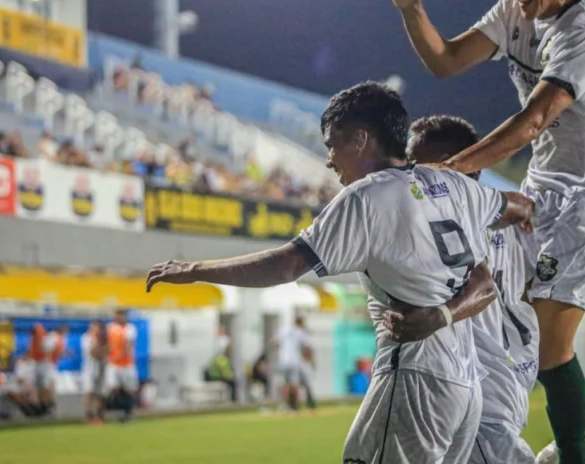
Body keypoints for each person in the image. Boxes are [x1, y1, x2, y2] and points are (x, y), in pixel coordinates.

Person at [146, 81, 534, 464]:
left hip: (416, 375)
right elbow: (507, 231)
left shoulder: (366, 196)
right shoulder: (452, 184)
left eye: (333, 144)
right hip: (466, 386)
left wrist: (195, 270)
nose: (329, 159)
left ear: (361, 140)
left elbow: (287, 265)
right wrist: (444, 313)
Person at [377, 0, 585, 462]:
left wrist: (448, 170)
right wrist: (410, 9)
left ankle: (574, 440)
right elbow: (445, 61)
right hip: (541, 185)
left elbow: (536, 118)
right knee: (504, 300)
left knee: (548, 342)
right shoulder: (511, 12)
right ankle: (576, 407)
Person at [403, 115, 540, 463]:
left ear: (471, 167)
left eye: (429, 165)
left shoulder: (454, 217)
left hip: (483, 382)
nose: (416, 174)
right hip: (505, 372)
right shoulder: (502, 212)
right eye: (412, 164)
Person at [106, 310, 138, 423]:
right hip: (113, 364)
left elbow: (128, 345)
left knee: (129, 389)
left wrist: (121, 355)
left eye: (119, 316)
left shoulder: (130, 328)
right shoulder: (111, 327)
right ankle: (120, 411)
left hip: (126, 364)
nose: (117, 318)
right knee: (114, 388)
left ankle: (128, 412)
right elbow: (109, 344)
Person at [274, 316, 311, 411]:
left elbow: (275, 341)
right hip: (294, 360)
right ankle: (294, 405)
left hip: (283, 360)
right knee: (294, 383)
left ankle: (285, 404)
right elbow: (306, 346)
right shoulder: (299, 332)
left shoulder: (284, 329)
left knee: (285, 383)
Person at [81, 321, 108, 424]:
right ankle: (89, 415)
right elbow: (93, 353)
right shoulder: (86, 338)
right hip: (89, 369)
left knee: (101, 393)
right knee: (89, 392)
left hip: (102, 369)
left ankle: (99, 416)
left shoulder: (105, 339)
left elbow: (106, 352)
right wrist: (97, 343)